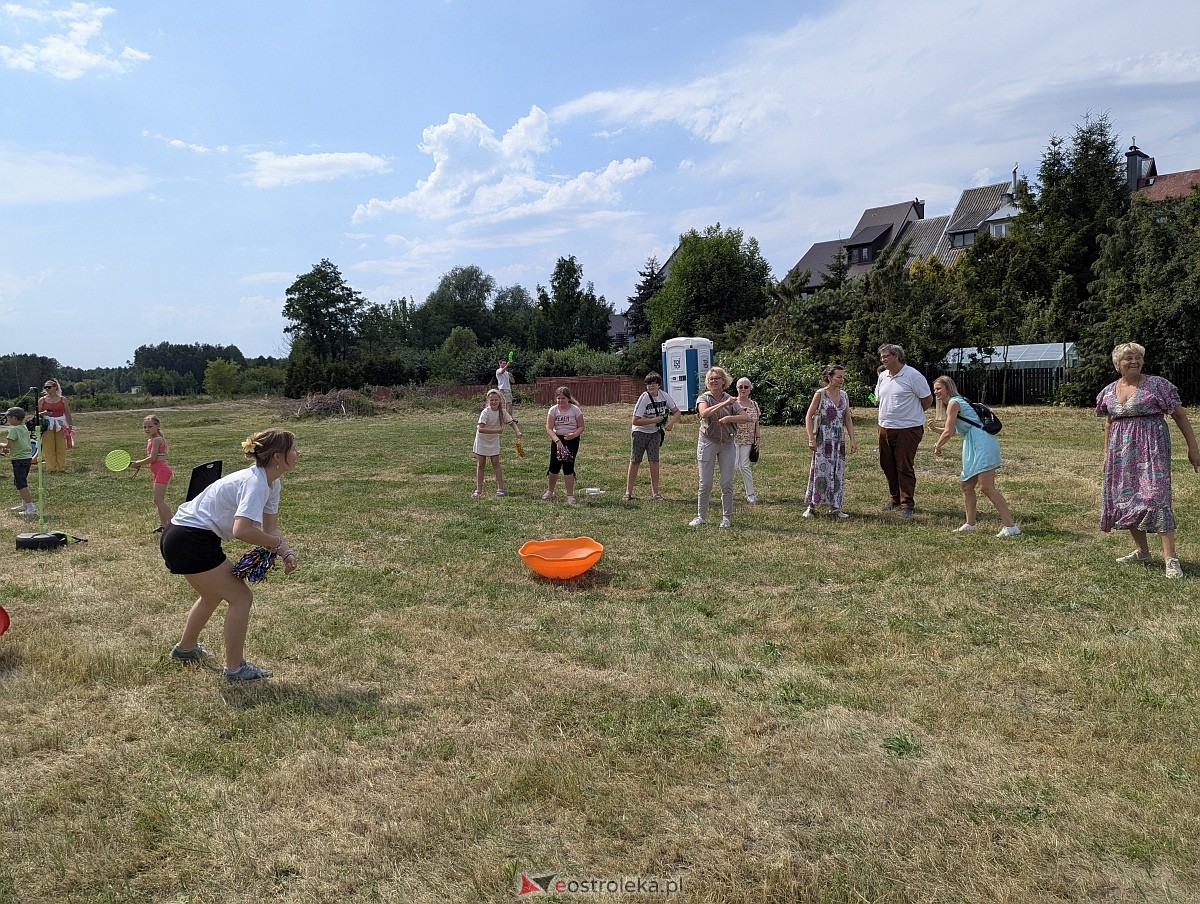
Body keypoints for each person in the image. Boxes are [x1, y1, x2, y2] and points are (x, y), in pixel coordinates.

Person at [161, 429, 300, 680]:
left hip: (183, 535)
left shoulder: (271, 482)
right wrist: (276, 544)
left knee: (212, 595)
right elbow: (242, 530)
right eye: (293, 449)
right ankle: (235, 668)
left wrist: (285, 551)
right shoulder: (256, 482)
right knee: (241, 598)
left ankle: (185, 650)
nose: (297, 453)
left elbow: (270, 529)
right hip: (189, 539)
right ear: (278, 457)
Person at [1095, 342, 1200, 578]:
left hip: (1152, 450)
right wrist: (1106, 454)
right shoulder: (1110, 391)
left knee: (1155, 498)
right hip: (1120, 453)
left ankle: (1171, 560)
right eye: (1128, 358)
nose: (1134, 362)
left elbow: (1180, 416)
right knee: (1126, 499)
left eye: (1138, 358)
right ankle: (1142, 551)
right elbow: (1109, 422)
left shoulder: (1158, 386)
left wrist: (1193, 447)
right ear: (1117, 364)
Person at [931, 376, 1020, 537]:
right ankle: (970, 523)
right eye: (935, 389)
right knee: (967, 486)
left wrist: (937, 445)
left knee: (987, 487)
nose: (936, 392)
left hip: (981, 443)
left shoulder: (953, 403)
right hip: (974, 442)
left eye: (939, 388)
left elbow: (949, 432)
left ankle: (1011, 526)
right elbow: (957, 430)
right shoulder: (955, 402)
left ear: (948, 389)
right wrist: (937, 430)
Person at [875, 344, 932, 517]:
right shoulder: (883, 376)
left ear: (897, 356)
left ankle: (907, 503)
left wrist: (912, 415)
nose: (883, 360)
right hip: (885, 427)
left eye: (886, 356)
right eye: (882, 357)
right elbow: (878, 399)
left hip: (908, 429)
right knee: (887, 465)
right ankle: (895, 499)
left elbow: (927, 400)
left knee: (903, 466)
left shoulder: (913, 375)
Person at [691, 367, 749, 528]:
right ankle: (701, 516)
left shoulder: (731, 400)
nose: (714, 381)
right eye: (711, 379)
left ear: (724, 381)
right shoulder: (704, 398)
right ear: (708, 383)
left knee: (726, 482)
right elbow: (704, 414)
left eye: (717, 378)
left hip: (728, 443)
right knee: (706, 482)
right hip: (708, 441)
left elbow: (746, 417)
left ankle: (726, 518)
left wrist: (730, 417)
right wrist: (724, 404)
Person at [803, 364, 858, 518]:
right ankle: (812, 506)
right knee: (820, 471)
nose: (842, 380)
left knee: (837, 471)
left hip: (838, 439)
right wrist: (811, 438)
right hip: (823, 438)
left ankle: (835, 507)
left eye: (843, 377)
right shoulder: (820, 394)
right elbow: (809, 416)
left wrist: (853, 440)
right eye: (839, 377)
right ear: (829, 377)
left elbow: (847, 419)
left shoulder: (844, 395)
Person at [623, 372, 680, 501]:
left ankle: (655, 493)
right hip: (640, 432)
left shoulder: (664, 396)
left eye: (654, 383)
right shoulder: (644, 398)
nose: (651, 386)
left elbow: (676, 412)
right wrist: (655, 420)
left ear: (659, 385)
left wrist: (670, 423)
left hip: (655, 433)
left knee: (654, 461)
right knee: (635, 460)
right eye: (648, 383)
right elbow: (635, 421)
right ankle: (628, 492)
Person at [473, 389, 523, 498]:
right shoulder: (485, 412)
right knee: (481, 464)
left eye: (496, 400)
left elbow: (511, 422)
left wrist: (517, 431)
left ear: (499, 400)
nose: (494, 402)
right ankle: (479, 490)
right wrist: (497, 431)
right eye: (491, 400)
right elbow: (480, 429)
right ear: (488, 401)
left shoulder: (502, 412)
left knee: (496, 462)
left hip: (493, 440)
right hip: (482, 440)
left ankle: (500, 488)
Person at [132, 415, 174, 531]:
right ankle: (164, 526)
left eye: (150, 426)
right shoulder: (151, 440)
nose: (147, 429)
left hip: (162, 470)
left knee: (158, 499)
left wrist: (138, 462)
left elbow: (153, 458)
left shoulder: (157, 439)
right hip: (157, 471)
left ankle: (173, 525)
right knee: (158, 499)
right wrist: (138, 463)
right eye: (144, 427)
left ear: (157, 426)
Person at [543, 386, 584, 504]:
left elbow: (581, 426)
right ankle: (550, 491)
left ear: (568, 399)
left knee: (568, 466)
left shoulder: (575, 410)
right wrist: (557, 441)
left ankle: (570, 495)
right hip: (557, 439)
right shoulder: (553, 410)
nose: (560, 401)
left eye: (563, 398)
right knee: (554, 466)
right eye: (558, 398)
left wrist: (574, 434)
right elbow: (549, 428)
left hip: (572, 440)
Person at [0, 407, 35, 516]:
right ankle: (24, 504)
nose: (7, 419)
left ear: (14, 418)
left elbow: (8, 446)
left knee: (21, 484)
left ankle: (30, 507)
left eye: (8, 417)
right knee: (20, 481)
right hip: (27, 458)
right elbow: (15, 445)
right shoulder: (24, 428)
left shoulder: (13, 430)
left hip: (18, 460)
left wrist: (1, 445)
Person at [733, 378, 762, 504]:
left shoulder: (754, 404)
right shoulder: (733, 403)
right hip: (733, 439)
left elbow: (756, 423)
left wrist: (758, 439)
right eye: (740, 387)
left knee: (745, 465)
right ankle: (728, 493)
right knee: (732, 466)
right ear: (737, 388)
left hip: (748, 439)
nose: (743, 389)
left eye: (746, 387)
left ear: (750, 389)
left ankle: (750, 494)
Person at [37, 378, 73, 473]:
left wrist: (70, 425)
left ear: (55, 388)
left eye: (49, 387)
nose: (47, 389)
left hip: (61, 424)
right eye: (45, 387)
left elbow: (68, 413)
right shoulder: (42, 400)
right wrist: (44, 413)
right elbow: (37, 414)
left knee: (61, 446)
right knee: (48, 447)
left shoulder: (63, 399)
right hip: (47, 425)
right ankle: (51, 468)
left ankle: (61, 468)